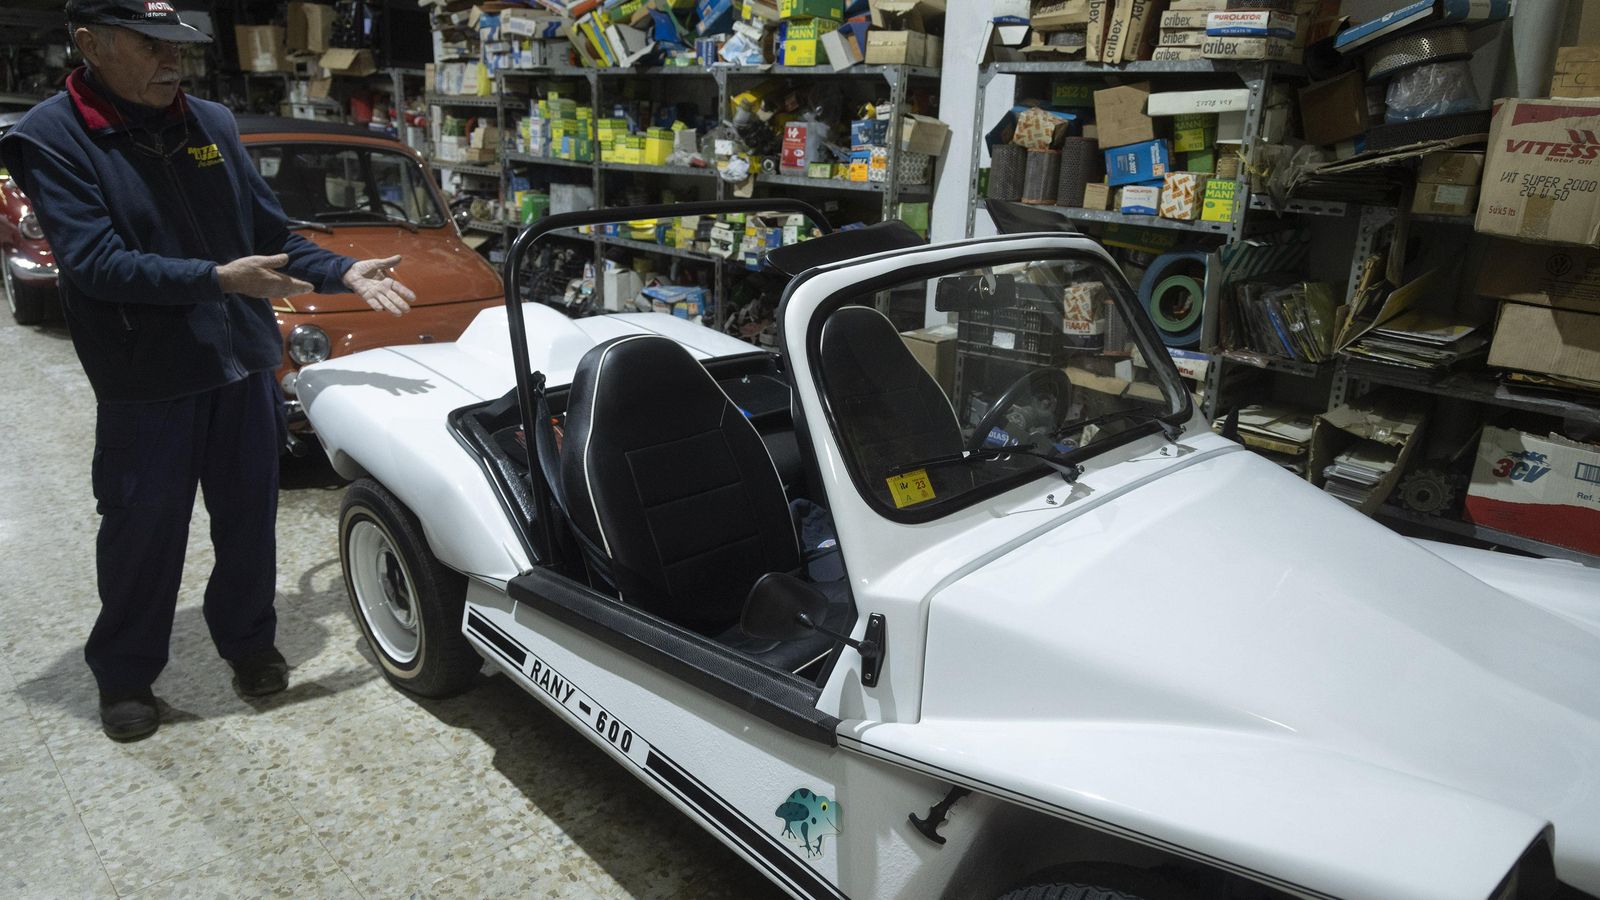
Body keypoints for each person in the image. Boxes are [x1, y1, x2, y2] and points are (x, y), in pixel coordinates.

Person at [0, 0, 417, 742]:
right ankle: (126, 674)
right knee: (142, 530)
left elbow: (267, 235)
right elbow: (95, 265)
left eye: (179, 49)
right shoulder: (51, 138)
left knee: (248, 521)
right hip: (147, 377)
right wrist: (220, 279)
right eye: (150, 45)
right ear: (90, 44)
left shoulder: (212, 124)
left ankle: (249, 641)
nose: (173, 63)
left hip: (242, 364)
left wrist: (342, 271)